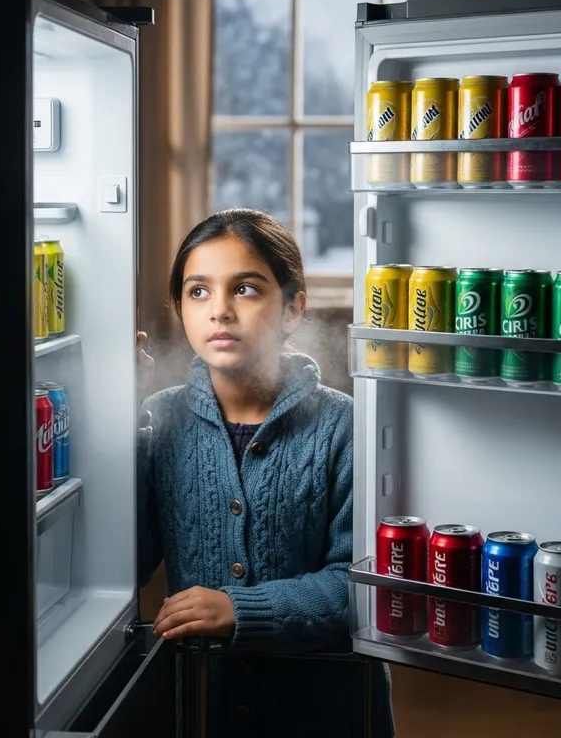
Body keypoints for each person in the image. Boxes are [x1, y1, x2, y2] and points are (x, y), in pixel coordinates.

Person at [136, 208, 394, 738]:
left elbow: (363, 586)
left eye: (246, 290)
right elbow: (122, 562)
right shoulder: (158, 419)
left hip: (327, 711)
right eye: (199, 292)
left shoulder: (343, 425)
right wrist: (112, 421)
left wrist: (241, 609)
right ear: (180, 308)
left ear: (293, 308)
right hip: (203, 707)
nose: (220, 312)